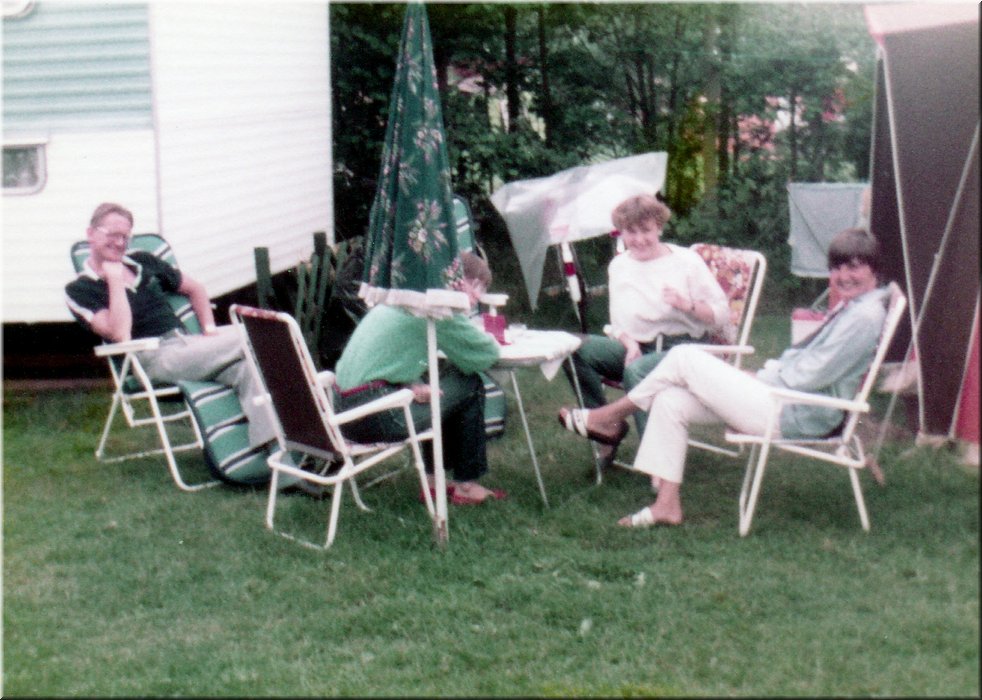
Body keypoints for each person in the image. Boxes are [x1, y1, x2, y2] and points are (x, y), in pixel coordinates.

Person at [558, 228, 889, 528]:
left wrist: (760, 379)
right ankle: (666, 505)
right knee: (671, 400)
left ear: (874, 269)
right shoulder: (856, 307)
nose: (843, 276)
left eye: (854, 267)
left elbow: (812, 373)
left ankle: (607, 417)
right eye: (837, 268)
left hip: (794, 412)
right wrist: (758, 375)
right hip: (786, 399)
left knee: (684, 357)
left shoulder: (864, 316)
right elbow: (805, 365)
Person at [65, 202, 274, 449]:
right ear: (91, 234)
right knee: (266, 338)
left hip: (188, 345)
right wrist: (114, 279)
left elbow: (196, 289)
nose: (120, 243)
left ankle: (279, 454)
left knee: (251, 361)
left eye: (125, 236)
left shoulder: (143, 261)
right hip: (151, 358)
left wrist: (209, 332)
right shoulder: (79, 290)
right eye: (112, 234)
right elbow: (120, 333)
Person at [566, 193, 730, 465]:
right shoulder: (619, 266)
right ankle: (605, 428)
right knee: (573, 348)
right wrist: (629, 344)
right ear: (622, 232)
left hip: (684, 350)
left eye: (646, 230)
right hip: (640, 347)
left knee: (637, 371)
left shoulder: (686, 261)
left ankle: (657, 461)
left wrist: (687, 305)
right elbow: (618, 322)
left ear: (659, 228)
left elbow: (721, 314)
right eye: (631, 231)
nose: (639, 239)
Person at [334, 251, 506, 505]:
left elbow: (386, 360)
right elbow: (486, 354)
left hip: (344, 414)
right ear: (457, 281)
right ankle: (466, 486)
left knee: (439, 384)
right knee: (469, 384)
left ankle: (434, 482)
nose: (477, 297)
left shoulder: (403, 298)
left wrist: (413, 383)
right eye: (476, 286)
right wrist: (490, 336)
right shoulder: (438, 309)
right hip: (376, 417)